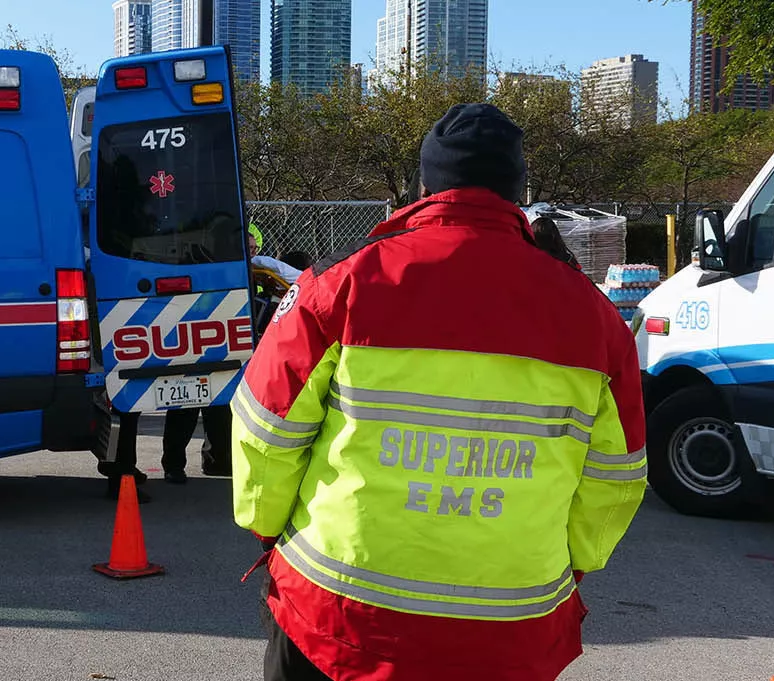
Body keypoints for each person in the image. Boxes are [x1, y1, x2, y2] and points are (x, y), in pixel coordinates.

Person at [230, 103, 647, 681]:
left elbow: (263, 430)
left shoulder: (342, 287)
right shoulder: (594, 319)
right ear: (518, 190)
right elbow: (616, 476)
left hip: (338, 616)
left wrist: (268, 527)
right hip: (510, 627)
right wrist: (570, 563)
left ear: (425, 185)